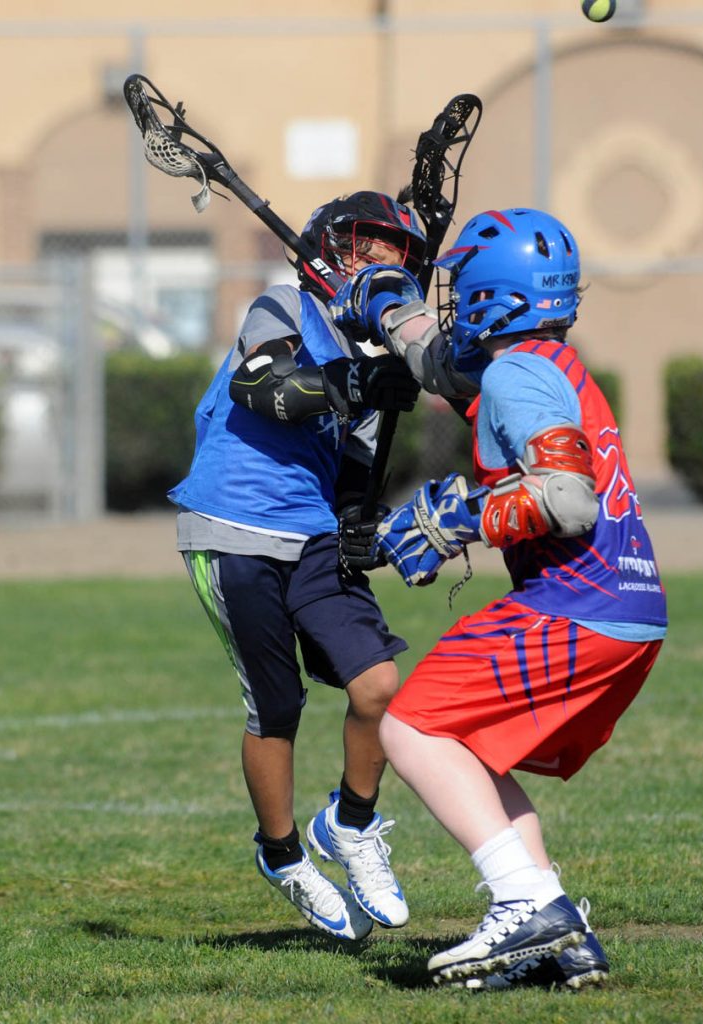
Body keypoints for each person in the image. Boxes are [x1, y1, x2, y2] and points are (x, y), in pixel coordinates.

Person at [333, 207, 668, 986]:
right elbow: (439, 363)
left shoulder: (517, 375)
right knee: (475, 750)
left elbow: (566, 498)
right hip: (624, 609)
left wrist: (459, 517)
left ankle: (524, 902)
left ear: (494, 296)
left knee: (411, 729)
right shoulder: (539, 360)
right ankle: (560, 930)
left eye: (460, 289)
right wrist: (385, 301)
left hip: (574, 603)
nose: (451, 302)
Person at [167, 191, 428, 941]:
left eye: (394, 250)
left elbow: (354, 468)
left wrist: (358, 520)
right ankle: (282, 855)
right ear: (332, 250)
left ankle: (350, 823)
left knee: (378, 684)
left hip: (312, 533)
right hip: (232, 526)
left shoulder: (372, 357)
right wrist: (352, 385)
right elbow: (263, 386)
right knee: (276, 708)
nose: (381, 259)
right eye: (367, 243)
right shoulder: (283, 304)